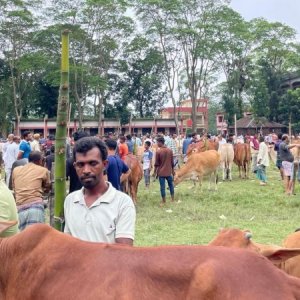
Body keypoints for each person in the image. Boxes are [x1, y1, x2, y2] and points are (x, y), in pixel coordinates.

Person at [64, 137, 136, 244]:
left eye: (93, 163)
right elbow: (68, 244)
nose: (86, 170)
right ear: (75, 166)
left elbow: (123, 253)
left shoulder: (122, 203)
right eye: (80, 165)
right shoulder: (70, 200)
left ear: (105, 165)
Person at [12, 151, 51, 231]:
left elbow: (14, 187)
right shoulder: (43, 170)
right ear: (40, 160)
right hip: (35, 206)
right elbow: (47, 188)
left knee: (22, 239)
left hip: (19, 208)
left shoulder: (16, 170)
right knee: (36, 239)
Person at [154, 136, 175, 206]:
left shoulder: (158, 151)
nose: (157, 144)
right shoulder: (170, 150)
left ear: (160, 142)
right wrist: (173, 171)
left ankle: (164, 201)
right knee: (171, 185)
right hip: (169, 172)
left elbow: (156, 164)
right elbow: (172, 163)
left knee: (162, 187)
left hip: (161, 173)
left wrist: (155, 172)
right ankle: (172, 199)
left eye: (157, 142)